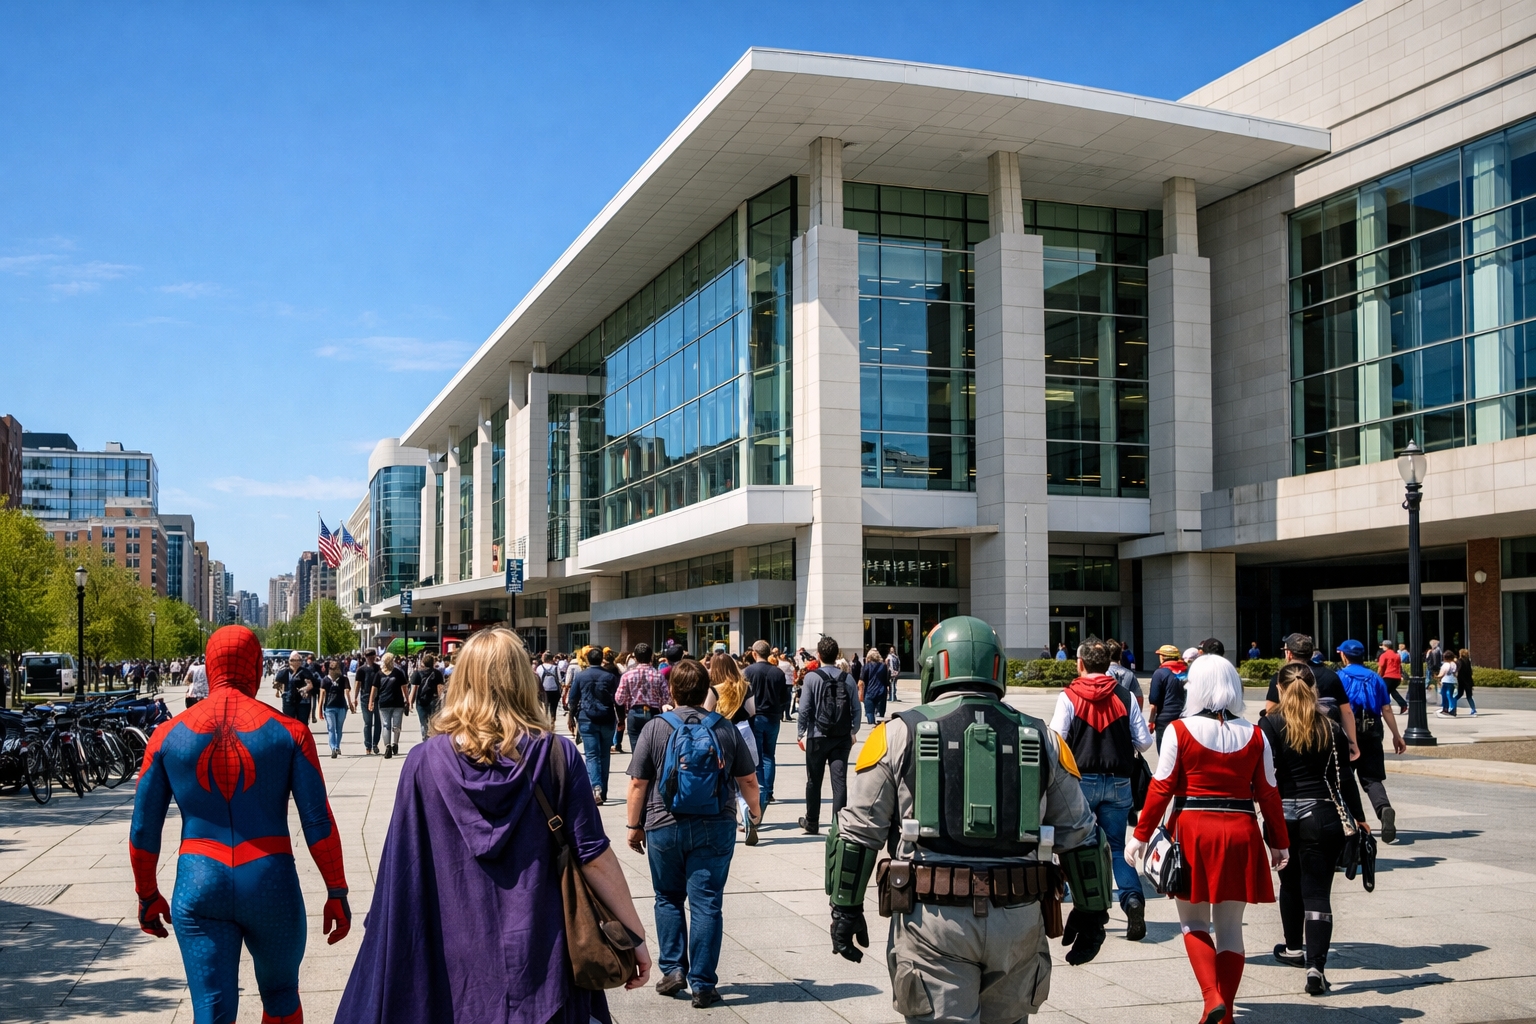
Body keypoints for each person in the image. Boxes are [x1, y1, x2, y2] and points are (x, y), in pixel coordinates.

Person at [336, 627, 652, 1023]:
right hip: (541, 947)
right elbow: (593, 857)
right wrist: (633, 934)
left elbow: (403, 864)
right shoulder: (556, 755)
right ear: (523, 680)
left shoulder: (422, 762)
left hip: (449, 952)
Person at [828, 615, 1114, 1022]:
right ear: (997, 669)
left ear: (934, 666)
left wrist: (845, 907)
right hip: (1019, 917)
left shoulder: (895, 733)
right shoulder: (1044, 737)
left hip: (933, 919)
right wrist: (1092, 912)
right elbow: (1082, 835)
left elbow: (856, 830)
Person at [130, 626, 352, 1024]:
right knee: (282, 996)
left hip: (199, 881)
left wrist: (147, 894)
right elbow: (317, 820)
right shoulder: (290, 732)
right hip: (270, 880)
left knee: (212, 1010)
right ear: (256, 666)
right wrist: (336, 889)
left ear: (209, 666)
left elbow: (144, 830)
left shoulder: (165, 737)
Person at [1126, 655, 1289, 1024]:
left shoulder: (1179, 731)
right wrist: (1279, 841)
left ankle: (1211, 996)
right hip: (1241, 832)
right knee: (1231, 927)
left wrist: (1139, 835)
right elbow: (1268, 793)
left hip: (1193, 832)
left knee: (1193, 922)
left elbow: (1161, 787)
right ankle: (1225, 1012)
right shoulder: (1256, 734)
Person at [625, 657, 759, 1008]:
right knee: (707, 902)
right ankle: (703, 982)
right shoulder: (724, 727)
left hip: (663, 824)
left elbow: (639, 781)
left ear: (672, 689)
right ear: (706, 690)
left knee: (668, 897)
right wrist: (755, 813)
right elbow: (747, 778)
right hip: (715, 824)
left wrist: (633, 826)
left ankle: (673, 970)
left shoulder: (656, 727)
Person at [1261, 662, 1367, 996]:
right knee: (1318, 891)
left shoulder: (1270, 725)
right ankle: (1316, 967)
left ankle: (1294, 947)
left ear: (1279, 689)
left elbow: (1265, 775)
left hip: (1284, 815)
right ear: (1315, 689)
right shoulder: (1330, 726)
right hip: (1324, 813)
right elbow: (1343, 777)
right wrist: (1359, 816)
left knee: (1289, 882)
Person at [1050, 637, 1155, 942]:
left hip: (1082, 782)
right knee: (1118, 848)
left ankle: (1089, 906)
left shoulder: (1069, 695)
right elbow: (1145, 742)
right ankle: (1132, 899)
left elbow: (1056, 739)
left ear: (1080, 664)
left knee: (1077, 846)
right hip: (1119, 783)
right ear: (1108, 664)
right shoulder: (1122, 695)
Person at [1335, 639, 1405, 844]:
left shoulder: (1339, 677)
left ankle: (1351, 822)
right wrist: (1397, 735)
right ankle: (1384, 809)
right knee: (1372, 778)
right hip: (1372, 731)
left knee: (1343, 780)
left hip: (1347, 734)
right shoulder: (1376, 678)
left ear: (1344, 655)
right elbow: (1386, 709)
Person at [796, 637, 861, 835]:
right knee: (839, 782)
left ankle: (812, 821)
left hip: (817, 736)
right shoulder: (847, 678)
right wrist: (853, 731)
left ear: (819, 655)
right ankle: (838, 825)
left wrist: (801, 733)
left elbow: (804, 709)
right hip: (841, 738)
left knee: (814, 781)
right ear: (837, 655)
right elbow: (857, 709)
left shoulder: (812, 678)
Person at [1266, 634, 1358, 761]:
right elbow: (1346, 712)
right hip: (1324, 739)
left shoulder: (1280, 678)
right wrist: (1352, 743)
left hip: (1290, 740)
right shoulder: (1331, 676)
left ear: (1289, 654)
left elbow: (1270, 712)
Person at [704, 653, 759, 844]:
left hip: (722, 733)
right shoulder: (744, 686)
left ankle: (733, 815)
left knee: (725, 778)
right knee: (745, 776)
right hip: (743, 732)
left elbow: (706, 712)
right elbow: (752, 711)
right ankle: (748, 812)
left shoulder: (714, 689)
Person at [568, 646, 621, 805]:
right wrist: (622, 719)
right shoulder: (610, 677)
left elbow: (573, 699)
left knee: (592, 755)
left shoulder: (581, 676)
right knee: (604, 755)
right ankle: (603, 791)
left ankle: (595, 787)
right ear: (601, 660)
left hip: (587, 719)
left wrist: (571, 716)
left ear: (588, 660)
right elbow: (617, 700)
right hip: (607, 718)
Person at [744, 640, 789, 812]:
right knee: (770, 754)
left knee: (757, 756)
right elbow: (784, 697)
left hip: (755, 717)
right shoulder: (778, 673)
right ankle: (769, 791)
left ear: (755, 654)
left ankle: (760, 789)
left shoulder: (747, 672)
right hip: (773, 716)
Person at [616, 643, 669, 753]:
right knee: (653, 748)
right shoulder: (659, 675)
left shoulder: (627, 675)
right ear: (651, 657)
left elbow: (619, 699)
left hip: (634, 712)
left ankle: (638, 769)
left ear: (635, 658)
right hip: (654, 712)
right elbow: (666, 698)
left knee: (636, 750)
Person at [1146, 644, 1189, 749]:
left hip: (1165, 722)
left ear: (1163, 657)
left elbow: (1154, 704)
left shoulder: (1159, 673)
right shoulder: (1187, 672)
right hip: (1185, 719)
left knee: (1166, 756)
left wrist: (1151, 722)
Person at [372, 652, 409, 758]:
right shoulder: (392, 673)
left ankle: (390, 744)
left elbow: (404, 687)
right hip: (390, 702)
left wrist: (371, 701)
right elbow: (374, 688)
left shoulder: (389, 673)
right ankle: (391, 744)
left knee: (390, 725)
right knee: (391, 725)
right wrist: (407, 699)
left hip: (391, 702)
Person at [321, 658, 354, 758]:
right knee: (332, 728)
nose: (334, 670)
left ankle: (337, 746)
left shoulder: (344, 679)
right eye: (332, 668)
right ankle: (334, 748)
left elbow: (347, 691)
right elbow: (322, 694)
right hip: (329, 707)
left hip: (341, 706)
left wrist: (350, 704)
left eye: (335, 668)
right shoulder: (325, 680)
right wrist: (319, 710)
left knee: (338, 729)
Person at [408, 652, 444, 740]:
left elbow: (414, 689)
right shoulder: (437, 673)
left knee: (423, 723)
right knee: (433, 722)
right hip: (433, 700)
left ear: (423, 662)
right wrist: (441, 700)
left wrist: (410, 702)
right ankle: (432, 739)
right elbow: (440, 688)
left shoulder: (417, 673)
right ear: (433, 662)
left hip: (421, 701)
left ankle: (425, 739)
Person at [275, 652, 316, 723]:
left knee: (302, 723)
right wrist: (278, 690)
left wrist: (305, 688)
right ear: (289, 661)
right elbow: (277, 682)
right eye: (293, 660)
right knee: (289, 723)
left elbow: (311, 684)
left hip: (303, 701)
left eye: (299, 660)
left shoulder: (305, 672)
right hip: (288, 700)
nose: (296, 662)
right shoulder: (284, 672)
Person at [353, 650, 381, 755]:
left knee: (378, 722)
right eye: (368, 656)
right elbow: (358, 684)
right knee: (368, 723)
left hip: (377, 698)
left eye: (372, 656)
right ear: (365, 657)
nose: (371, 658)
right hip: (365, 697)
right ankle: (368, 745)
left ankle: (375, 744)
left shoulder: (378, 668)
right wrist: (355, 698)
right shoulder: (361, 670)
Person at [1106, 639, 1143, 707]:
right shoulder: (1130, 674)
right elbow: (1138, 697)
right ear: (1120, 655)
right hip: (1126, 711)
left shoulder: (1103, 673)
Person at [859, 647, 889, 725]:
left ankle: (871, 726)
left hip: (869, 692)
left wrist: (860, 694)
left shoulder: (866, 666)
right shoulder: (884, 666)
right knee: (881, 714)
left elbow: (861, 682)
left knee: (869, 712)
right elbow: (886, 681)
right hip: (881, 692)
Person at [1378, 640, 1408, 713]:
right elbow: (1399, 666)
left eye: (1383, 646)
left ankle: (1384, 708)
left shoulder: (1384, 655)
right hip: (1397, 677)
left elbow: (1381, 667)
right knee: (1391, 691)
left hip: (1388, 676)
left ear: (1385, 646)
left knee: (1383, 692)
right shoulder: (1397, 655)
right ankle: (1403, 704)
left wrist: (1378, 675)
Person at [536, 652, 563, 721]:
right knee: (553, 708)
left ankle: (545, 722)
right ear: (551, 659)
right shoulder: (555, 668)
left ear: (543, 659)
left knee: (544, 708)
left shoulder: (539, 668)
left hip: (543, 691)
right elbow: (559, 679)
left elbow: (536, 679)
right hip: (554, 691)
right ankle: (552, 722)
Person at [1455, 648, 1478, 716]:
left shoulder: (1459, 661)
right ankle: (1473, 709)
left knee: (1459, 694)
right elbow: (1470, 672)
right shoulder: (1468, 661)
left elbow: (1457, 671)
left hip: (1461, 681)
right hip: (1468, 681)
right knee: (1469, 696)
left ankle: (1452, 705)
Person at [1436, 649, 1459, 716]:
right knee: (1445, 694)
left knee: (1449, 695)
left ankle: (1451, 709)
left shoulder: (1451, 664)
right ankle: (1446, 708)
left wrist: (1438, 677)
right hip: (1448, 681)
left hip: (1449, 681)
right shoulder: (1452, 664)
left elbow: (1445, 672)